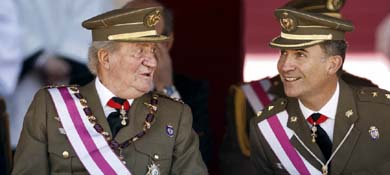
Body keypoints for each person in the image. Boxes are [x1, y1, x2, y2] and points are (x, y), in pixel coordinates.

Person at [12, 7, 208, 174]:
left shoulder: (175, 115)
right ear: (105, 58)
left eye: (153, 52)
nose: (152, 62)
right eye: (139, 51)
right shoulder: (50, 107)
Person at [219, 0, 377, 174]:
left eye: (300, 54)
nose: (285, 65)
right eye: (283, 52)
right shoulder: (253, 100)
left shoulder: (370, 98)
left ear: (333, 61)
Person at [8, 0, 113, 150]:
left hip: (75, 83)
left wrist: (65, 60)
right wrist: (39, 58)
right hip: (23, 87)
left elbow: (94, 14)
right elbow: (6, 20)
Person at [123, 0, 212, 166]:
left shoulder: (192, 92)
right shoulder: (85, 88)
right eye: (126, 37)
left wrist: (166, 89)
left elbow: (199, 160)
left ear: (166, 43)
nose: (135, 49)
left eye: (147, 38)